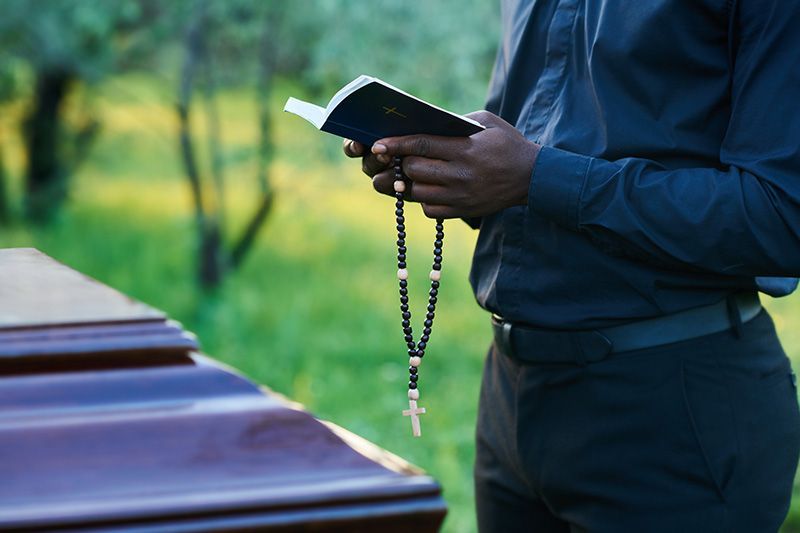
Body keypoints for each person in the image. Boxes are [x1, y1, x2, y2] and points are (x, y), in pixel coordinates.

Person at [343, 0, 800, 530]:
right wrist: (450, 166)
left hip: (672, 412)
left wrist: (538, 176)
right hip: (510, 399)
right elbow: (526, 150)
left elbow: (781, 216)